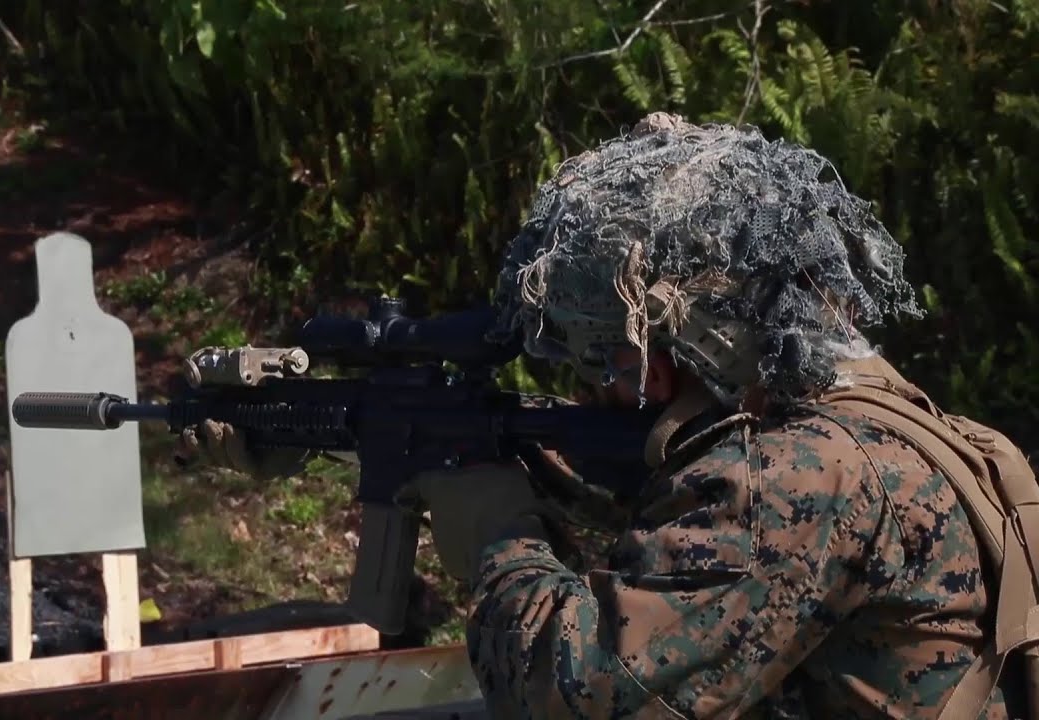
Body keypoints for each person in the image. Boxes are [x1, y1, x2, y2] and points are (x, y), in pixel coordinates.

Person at [177, 113, 1035, 718]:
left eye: (611, 358)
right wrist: (371, 449)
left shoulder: (794, 477)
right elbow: (687, 551)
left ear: (674, 346)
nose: (607, 389)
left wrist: (498, 543)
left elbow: (577, 694)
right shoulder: (878, 423)